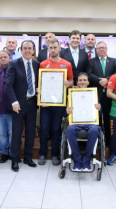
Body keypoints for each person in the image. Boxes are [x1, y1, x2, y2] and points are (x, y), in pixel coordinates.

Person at [38, 38, 74, 166]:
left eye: (55, 47)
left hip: (59, 104)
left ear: (59, 48)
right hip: (46, 104)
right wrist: (40, 95)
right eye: (50, 48)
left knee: (56, 130)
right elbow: (40, 84)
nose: (53, 50)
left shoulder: (67, 64)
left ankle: (55, 154)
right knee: (44, 129)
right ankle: (42, 153)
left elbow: (71, 81)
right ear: (48, 49)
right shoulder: (42, 64)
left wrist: (67, 83)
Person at [6, 40, 40, 172]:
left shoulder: (37, 65)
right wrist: (14, 102)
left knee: (31, 132)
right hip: (18, 104)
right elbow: (8, 85)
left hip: (32, 103)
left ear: (33, 50)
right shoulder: (14, 64)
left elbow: (40, 82)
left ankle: (28, 157)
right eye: (24, 48)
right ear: (21, 50)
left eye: (29, 48)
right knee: (17, 133)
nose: (27, 50)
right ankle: (15, 159)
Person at [66, 72, 101, 171]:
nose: (82, 82)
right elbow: (66, 112)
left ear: (88, 82)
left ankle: (86, 159)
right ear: (76, 82)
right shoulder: (71, 94)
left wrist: (99, 108)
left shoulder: (94, 94)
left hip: (91, 122)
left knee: (94, 130)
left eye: (85, 80)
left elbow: (100, 112)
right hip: (75, 122)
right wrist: (67, 111)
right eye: (80, 80)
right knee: (69, 130)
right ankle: (77, 159)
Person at [87, 41, 116, 146]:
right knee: (97, 118)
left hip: (110, 95)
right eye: (99, 48)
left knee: (109, 118)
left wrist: (107, 80)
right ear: (96, 50)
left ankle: (109, 141)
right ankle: (98, 141)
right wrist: (99, 80)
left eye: (103, 48)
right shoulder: (91, 61)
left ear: (107, 49)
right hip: (97, 95)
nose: (101, 49)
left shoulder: (114, 61)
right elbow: (89, 74)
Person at [0, 50, 13, 163]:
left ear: (10, 58)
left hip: (12, 109)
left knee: (12, 133)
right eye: (1, 57)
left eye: (5, 57)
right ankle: (4, 153)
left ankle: (12, 153)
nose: (3, 59)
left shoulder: (14, 71)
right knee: (2, 134)